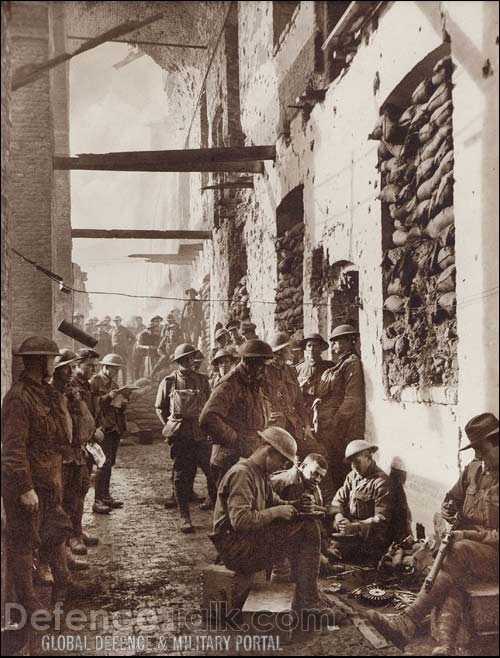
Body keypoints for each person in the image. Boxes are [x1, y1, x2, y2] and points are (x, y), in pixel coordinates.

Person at [368, 413, 499, 655]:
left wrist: (467, 535)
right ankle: (447, 646)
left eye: (482, 448)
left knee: (457, 552)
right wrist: (448, 509)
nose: (477, 455)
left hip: (493, 555)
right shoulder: (473, 470)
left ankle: (408, 619)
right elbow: (452, 498)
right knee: (453, 578)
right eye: (475, 450)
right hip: (468, 554)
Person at [1, 336, 93, 613]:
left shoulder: (47, 394)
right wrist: (24, 488)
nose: (55, 364)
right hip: (27, 484)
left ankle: (64, 582)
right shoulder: (18, 398)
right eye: (52, 359)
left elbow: (63, 434)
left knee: (55, 531)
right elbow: (12, 449)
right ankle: (28, 602)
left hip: (48, 479)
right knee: (23, 540)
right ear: (41, 362)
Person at [210, 427, 335, 621]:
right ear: (269, 452)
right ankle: (308, 601)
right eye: (282, 461)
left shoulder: (259, 473)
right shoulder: (242, 474)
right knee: (306, 531)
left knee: (306, 523)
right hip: (235, 549)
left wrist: (296, 505)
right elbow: (241, 521)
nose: (283, 466)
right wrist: (277, 512)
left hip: (247, 540)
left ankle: (307, 596)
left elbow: (275, 502)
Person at [155, 344, 217, 533]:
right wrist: (170, 424)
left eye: (191, 358)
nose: (189, 362)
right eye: (186, 359)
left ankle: (218, 515)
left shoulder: (202, 381)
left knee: (213, 473)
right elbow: (160, 407)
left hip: (201, 435)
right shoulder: (168, 381)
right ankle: (185, 517)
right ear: (180, 361)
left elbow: (210, 405)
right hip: (181, 436)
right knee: (182, 476)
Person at [200, 340, 274, 486]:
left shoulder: (253, 382)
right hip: (229, 458)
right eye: (261, 366)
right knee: (226, 505)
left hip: (246, 455)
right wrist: (236, 440)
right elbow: (208, 417)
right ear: (248, 362)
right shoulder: (229, 384)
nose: (264, 371)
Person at [50, 350, 96, 574]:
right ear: (57, 370)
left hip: (77, 453)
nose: (71, 371)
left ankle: (75, 534)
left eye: (72, 367)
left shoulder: (73, 393)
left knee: (79, 495)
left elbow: (85, 424)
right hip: (61, 457)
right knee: (60, 505)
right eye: (67, 367)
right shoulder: (50, 394)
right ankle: (65, 546)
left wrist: (77, 404)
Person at [314, 324, 366, 494]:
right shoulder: (338, 365)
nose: (334, 345)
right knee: (333, 468)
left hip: (342, 429)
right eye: (333, 342)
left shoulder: (351, 364)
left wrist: (335, 423)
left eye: (337, 341)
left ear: (349, 341)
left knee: (340, 469)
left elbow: (352, 400)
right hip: (329, 428)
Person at [330, 440, 393, 562]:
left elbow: (381, 519)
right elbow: (338, 501)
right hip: (349, 532)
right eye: (351, 463)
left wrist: (354, 527)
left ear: (368, 457)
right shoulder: (352, 476)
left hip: (368, 539)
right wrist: (339, 519)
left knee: (333, 552)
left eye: (357, 462)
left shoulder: (382, 482)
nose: (354, 467)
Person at [264, 332, 318, 460]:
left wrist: (307, 426)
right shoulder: (264, 371)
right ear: (278, 353)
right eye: (288, 349)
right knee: (281, 460)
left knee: (318, 451)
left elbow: (299, 401)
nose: (291, 351)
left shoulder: (291, 370)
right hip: (274, 427)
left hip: (294, 424)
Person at [90, 353, 132, 513]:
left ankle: (106, 496)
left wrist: (123, 403)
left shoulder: (114, 385)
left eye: (117, 370)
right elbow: (92, 405)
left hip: (114, 427)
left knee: (110, 463)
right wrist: (108, 397)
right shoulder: (94, 382)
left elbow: (117, 409)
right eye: (112, 369)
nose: (114, 372)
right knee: (103, 463)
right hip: (102, 427)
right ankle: (98, 500)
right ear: (104, 367)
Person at [72, 349, 111, 516]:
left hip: (90, 438)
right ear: (77, 365)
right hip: (79, 441)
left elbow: (95, 409)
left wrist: (100, 426)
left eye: (95, 367)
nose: (93, 371)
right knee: (76, 486)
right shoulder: (72, 385)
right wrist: (93, 431)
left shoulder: (88, 385)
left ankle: (78, 526)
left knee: (85, 481)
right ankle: (74, 531)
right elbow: (75, 417)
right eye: (89, 366)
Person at [110, 316, 135, 384]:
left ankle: (124, 384)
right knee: (115, 367)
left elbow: (133, 338)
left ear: (120, 321)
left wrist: (128, 346)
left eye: (117, 321)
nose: (116, 323)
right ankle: (115, 384)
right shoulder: (112, 330)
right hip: (115, 352)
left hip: (123, 352)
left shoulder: (125, 329)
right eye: (115, 321)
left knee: (123, 368)